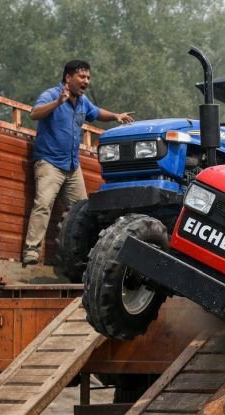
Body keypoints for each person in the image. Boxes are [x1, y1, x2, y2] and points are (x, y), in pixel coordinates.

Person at [23, 59, 134, 265]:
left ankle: (84, 259)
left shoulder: (83, 102)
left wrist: (116, 116)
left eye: (88, 77)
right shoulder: (51, 95)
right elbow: (33, 114)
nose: (86, 81)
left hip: (73, 166)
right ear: (68, 78)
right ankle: (31, 251)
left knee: (83, 211)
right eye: (82, 77)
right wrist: (58, 103)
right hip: (50, 162)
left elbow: (97, 112)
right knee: (43, 204)